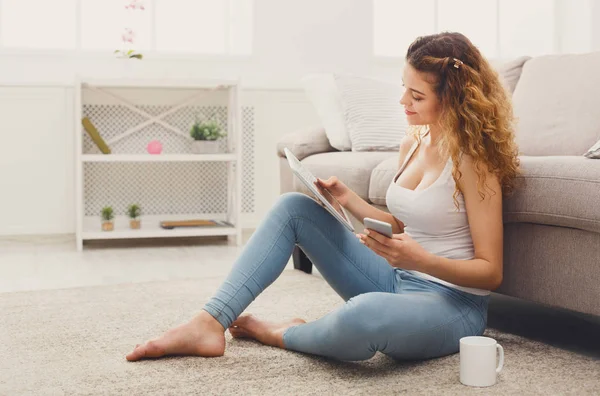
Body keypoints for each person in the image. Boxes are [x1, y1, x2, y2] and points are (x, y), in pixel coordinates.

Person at [126, 32, 520, 362]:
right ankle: (209, 322)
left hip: (452, 305)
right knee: (293, 208)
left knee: (364, 317)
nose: (403, 102)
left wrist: (422, 259)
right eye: (404, 88)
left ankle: (285, 334)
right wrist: (348, 199)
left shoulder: (474, 161)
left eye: (416, 96)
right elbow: (407, 225)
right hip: (396, 279)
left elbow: (491, 271)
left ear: (451, 98)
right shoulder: (413, 142)